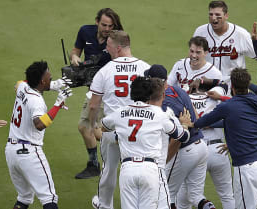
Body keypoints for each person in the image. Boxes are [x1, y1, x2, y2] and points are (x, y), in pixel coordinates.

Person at [183, 68, 257, 209]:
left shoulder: (228, 106)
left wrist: (193, 124)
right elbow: (238, 120)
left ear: (232, 87)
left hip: (246, 166)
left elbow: (205, 120)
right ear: (248, 84)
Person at [100, 77, 190, 209]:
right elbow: (183, 137)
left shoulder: (120, 112)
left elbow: (103, 127)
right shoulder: (159, 114)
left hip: (127, 169)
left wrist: (122, 132)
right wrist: (185, 125)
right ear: (149, 94)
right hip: (149, 169)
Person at [88, 30, 150, 209]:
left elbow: (93, 105)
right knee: (136, 169)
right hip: (138, 130)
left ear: (119, 48)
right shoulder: (145, 67)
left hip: (111, 129)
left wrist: (93, 126)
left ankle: (105, 205)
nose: (106, 49)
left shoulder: (104, 71)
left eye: (108, 46)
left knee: (108, 170)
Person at [144, 65, 216, 209]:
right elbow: (194, 116)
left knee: (165, 195)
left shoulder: (163, 104)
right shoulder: (176, 89)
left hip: (185, 150)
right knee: (195, 196)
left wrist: (163, 163)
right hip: (201, 146)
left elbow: (177, 138)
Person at [5, 61, 72, 209]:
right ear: (41, 81)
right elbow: (40, 124)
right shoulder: (36, 101)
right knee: (49, 197)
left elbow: (20, 83)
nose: (51, 78)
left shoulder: (22, 86)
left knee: (24, 198)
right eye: (49, 77)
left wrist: (53, 85)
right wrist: (58, 104)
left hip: (11, 151)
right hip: (29, 153)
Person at [72, 8, 124, 179]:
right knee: (92, 128)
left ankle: (124, 149)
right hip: (93, 89)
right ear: (97, 22)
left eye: (110, 25)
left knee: (89, 127)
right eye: (104, 25)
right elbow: (75, 52)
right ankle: (123, 149)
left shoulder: (115, 41)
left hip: (107, 91)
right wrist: (75, 59)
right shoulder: (85, 31)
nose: (107, 28)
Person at [185, 81, 235, 209]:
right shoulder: (216, 94)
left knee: (189, 197)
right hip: (219, 150)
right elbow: (224, 84)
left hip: (195, 151)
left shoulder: (185, 98)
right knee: (227, 195)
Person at [193, 1, 256, 92]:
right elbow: (192, 58)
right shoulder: (200, 32)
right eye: (211, 14)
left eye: (217, 15)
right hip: (205, 86)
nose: (213, 18)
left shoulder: (241, 34)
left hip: (233, 89)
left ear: (226, 16)